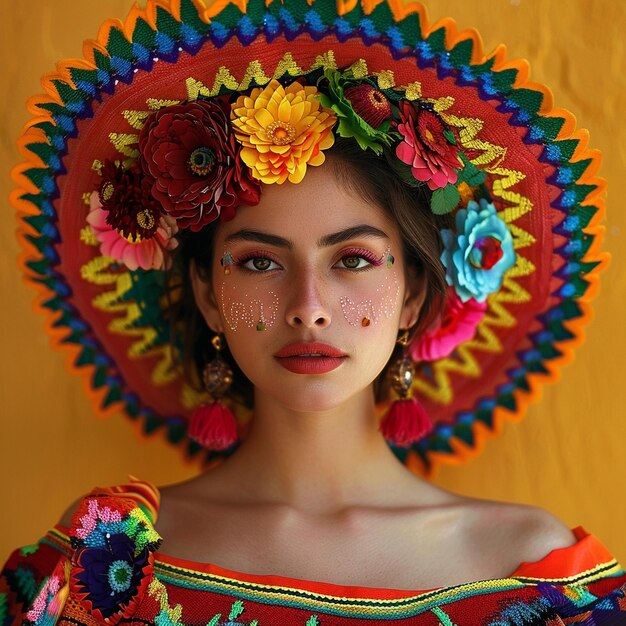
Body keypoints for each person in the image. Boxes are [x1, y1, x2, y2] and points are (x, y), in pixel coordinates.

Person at [2, 0, 625, 624]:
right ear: (206, 293)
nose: (308, 310)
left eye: (352, 260)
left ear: (412, 292)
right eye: (258, 262)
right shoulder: (106, 558)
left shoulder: (535, 575)